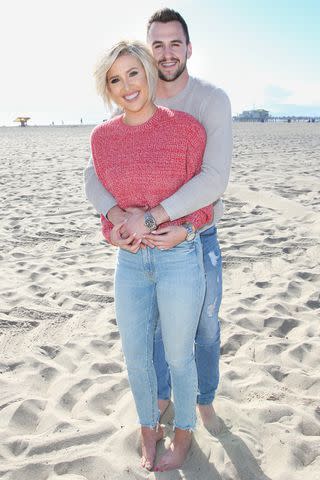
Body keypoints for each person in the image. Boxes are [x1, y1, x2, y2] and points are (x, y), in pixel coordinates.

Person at [84, 8, 233, 437]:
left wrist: (161, 220)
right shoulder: (130, 102)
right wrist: (114, 220)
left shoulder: (207, 103)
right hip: (140, 247)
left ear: (189, 48)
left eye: (175, 43)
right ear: (149, 52)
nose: (167, 53)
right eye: (158, 44)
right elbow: (94, 172)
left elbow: (213, 180)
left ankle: (203, 398)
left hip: (196, 234)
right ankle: (162, 396)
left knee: (203, 324)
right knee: (149, 333)